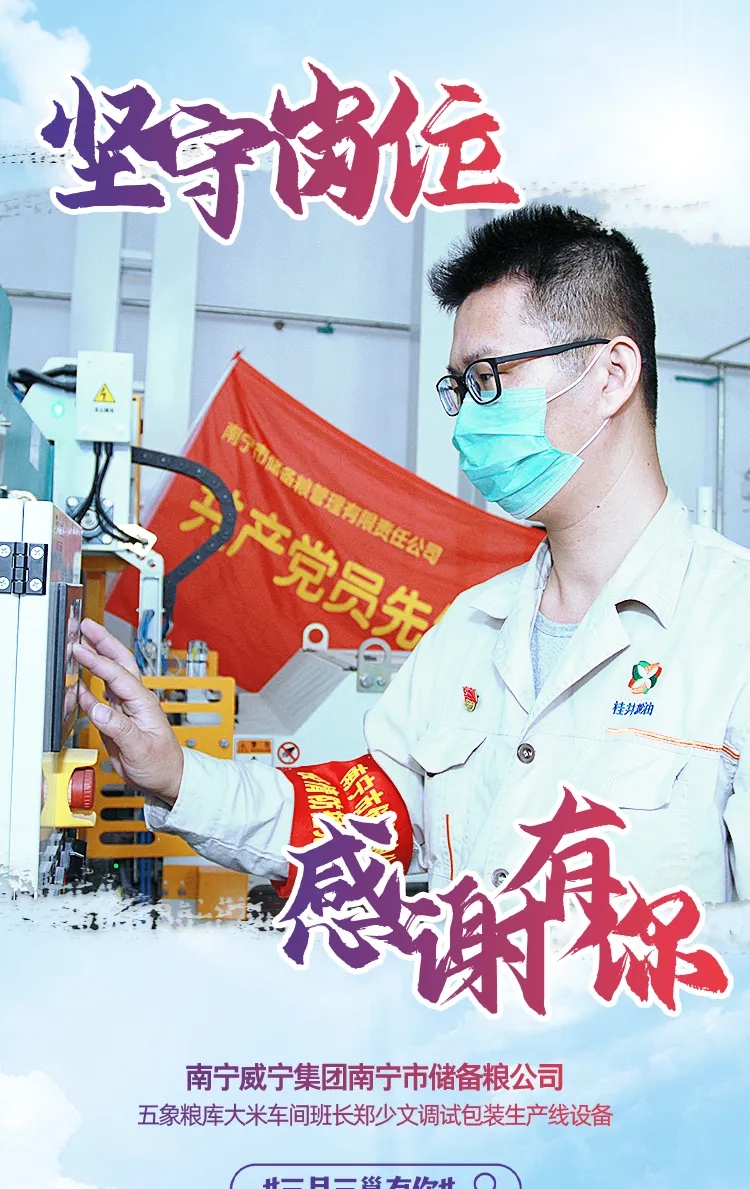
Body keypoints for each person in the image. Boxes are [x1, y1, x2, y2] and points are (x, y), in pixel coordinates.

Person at [73, 205, 750, 904]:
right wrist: (177, 776)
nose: (468, 420)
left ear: (612, 376)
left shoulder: (732, 632)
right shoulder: (470, 629)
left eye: (488, 377)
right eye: (460, 388)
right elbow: (365, 818)